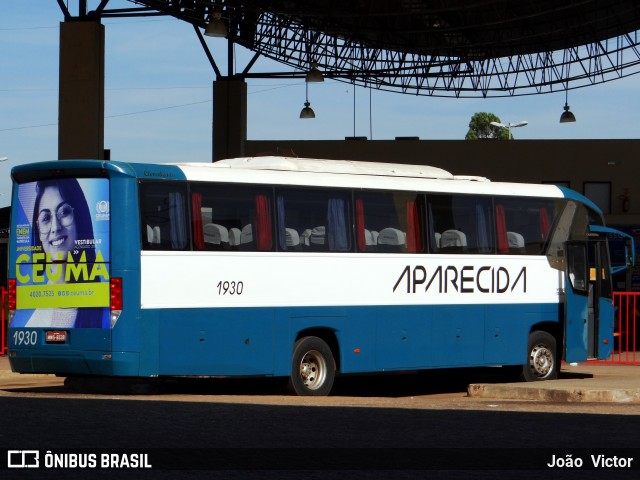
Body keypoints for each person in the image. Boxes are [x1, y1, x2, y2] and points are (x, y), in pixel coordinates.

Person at [24, 179, 104, 328]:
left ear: (79, 217)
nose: (55, 227)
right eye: (46, 218)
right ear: (38, 232)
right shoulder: (31, 317)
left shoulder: (102, 304)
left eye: (64, 212)